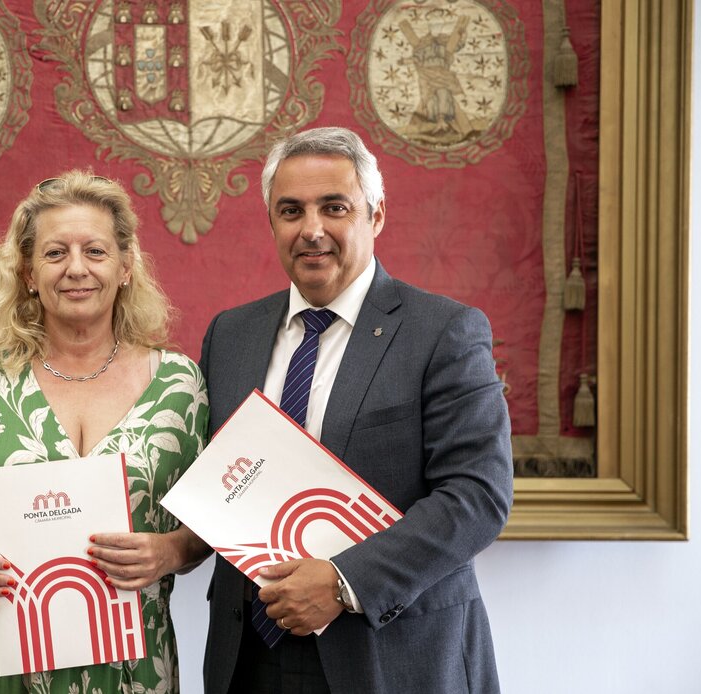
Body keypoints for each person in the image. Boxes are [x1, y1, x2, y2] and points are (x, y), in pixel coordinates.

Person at [199, 127, 513, 693]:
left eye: (334, 207)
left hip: (391, 657)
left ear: (376, 215)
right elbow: (213, 485)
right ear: (272, 222)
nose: (311, 229)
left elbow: (478, 496)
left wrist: (343, 582)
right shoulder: (229, 335)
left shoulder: (444, 332)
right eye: (291, 211)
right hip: (250, 659)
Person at [0, 170, 210, 693]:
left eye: (95, 251)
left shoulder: (179, 385)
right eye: (55, 253)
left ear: (125, 267)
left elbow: (211, 521)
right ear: (29, 273)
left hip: (132, 666)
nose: (76, 268)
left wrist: (170, 552)